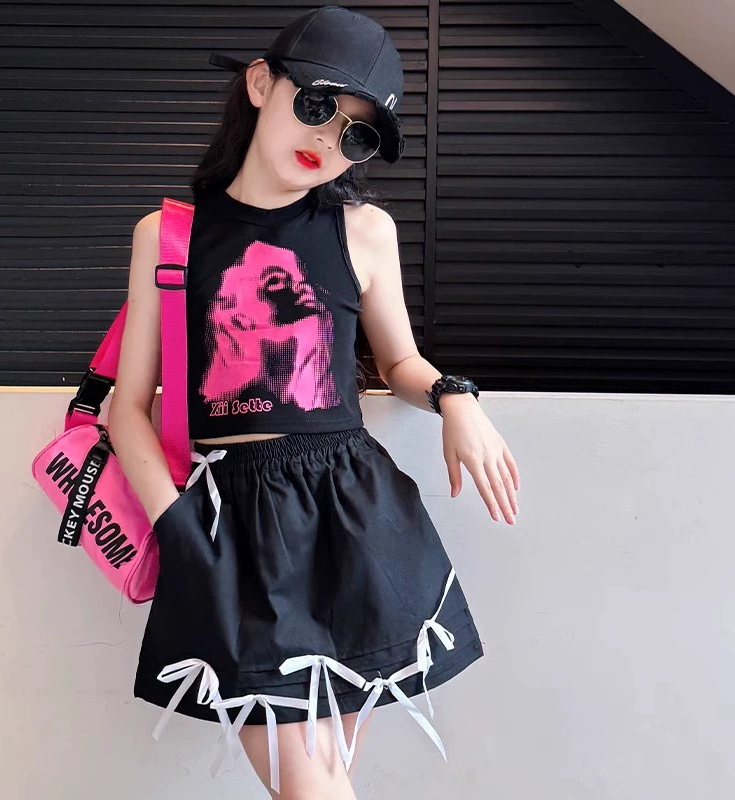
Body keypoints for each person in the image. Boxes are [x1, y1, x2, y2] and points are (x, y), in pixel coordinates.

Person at [107, 6, 520, 799]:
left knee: (324, 779)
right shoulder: (168, 235)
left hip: (350, 512)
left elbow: (397, 360)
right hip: (230, 524)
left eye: (355, 135)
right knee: (315, 786)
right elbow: (128, 407)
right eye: (318, 105)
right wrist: (179, 528)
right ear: (261, 84)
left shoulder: (364, 231)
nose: (328, 139)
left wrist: (455, 398)